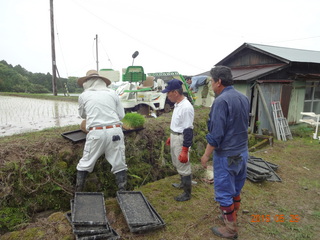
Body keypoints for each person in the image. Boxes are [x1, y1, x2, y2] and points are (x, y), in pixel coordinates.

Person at [200, 66, 250, 239]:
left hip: (226, 154)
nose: (212, 85)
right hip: (242, 151)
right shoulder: (243, 98)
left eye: (212, 81)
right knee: (235, 187)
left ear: (218, 82)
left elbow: (216, 134)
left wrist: (206, 155)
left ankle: (230, 229)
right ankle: (231, 216)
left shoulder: (221, 101)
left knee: (223, 191)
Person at [75, 70, 128, 192]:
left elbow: (83, 115)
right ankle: (123, 192)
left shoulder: (84, 95)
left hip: (96, 133)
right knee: (119, 163)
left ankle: (78, 193)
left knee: (85, 163)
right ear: (102, 81)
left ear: (87, 82)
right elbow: (121, 115)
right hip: (115, 131)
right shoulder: (112, 93)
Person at [162, 79, 194, 201]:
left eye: (168, 93)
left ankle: (187, 193)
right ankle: (182, 184)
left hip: (181, 139)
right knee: (177, 162)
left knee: (183, 164)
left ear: (175, 92)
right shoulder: (177, 105)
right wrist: (172, 135)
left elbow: (188, 130)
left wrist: (185, 150)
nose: (167, 96)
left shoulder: (186, 107)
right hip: (176, 136)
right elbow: (179, 124)